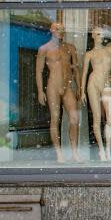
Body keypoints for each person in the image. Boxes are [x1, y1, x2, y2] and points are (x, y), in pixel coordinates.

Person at [36, 22, 82, 163]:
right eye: (57, 29)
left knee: (74, 119)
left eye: (62, 29)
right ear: (51, 30)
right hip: (53, 86)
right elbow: (38, 71)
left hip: (67, 86)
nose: (60, 31)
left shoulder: (70, 48)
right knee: (55, 118)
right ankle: (59, 154)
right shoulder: (44, 49)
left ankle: (74, 153)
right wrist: (40, 91)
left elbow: (75, 69)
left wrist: (80, 87)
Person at [81, 27, 111, 161]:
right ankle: (101, 150)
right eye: (98, 34)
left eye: (102, 34)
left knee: (110, 118)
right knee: (96, 118)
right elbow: (84, 73)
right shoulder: (89, 54)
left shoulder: (109, 50)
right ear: (93, 36)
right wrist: (82, 91)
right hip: (93, 83)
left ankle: (107, 148)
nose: (101, 36)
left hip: (106, 85)